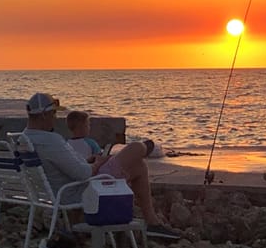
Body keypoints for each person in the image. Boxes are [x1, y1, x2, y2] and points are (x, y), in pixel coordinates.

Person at [23, 92, 179, 239]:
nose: (54, 118)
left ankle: (152, 222)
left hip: (59, 191)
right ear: (44, 115)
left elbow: (65, 168)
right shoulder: (50, 140)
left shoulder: (24, 138)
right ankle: (148, 149)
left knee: (138, 165)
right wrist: (97, 163)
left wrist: (87, 161)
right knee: (136, 148)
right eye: (53, 114)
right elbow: (83, 174)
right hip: (81, 189)